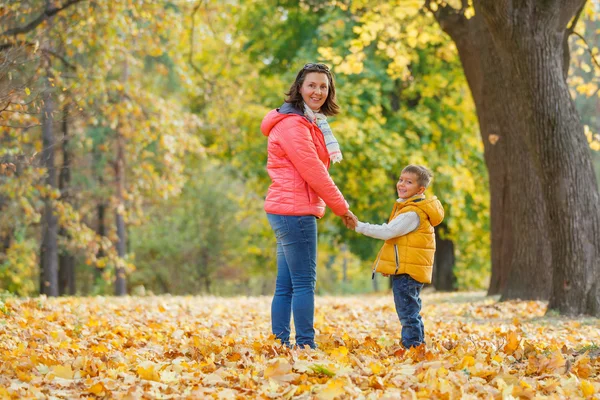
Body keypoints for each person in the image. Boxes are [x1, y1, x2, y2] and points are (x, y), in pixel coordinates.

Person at [261, 62, 357, 349]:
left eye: (323, 87)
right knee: (303, 283)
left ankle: (280, 343)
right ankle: (305, 345)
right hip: (295, 211)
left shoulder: (308, 121)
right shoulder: (294, 125)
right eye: (312, 85)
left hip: (287, 209)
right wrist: (342, 208)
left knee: (287, 285)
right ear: (299, 87)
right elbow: (314, 170)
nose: (317, 91)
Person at [354, 165, 444, 349]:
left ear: (420, 190)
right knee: (411, 309)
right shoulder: (410, 208)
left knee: (407, 312)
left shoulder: (412, 213)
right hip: (408, 270)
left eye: (408, 182)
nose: (401, 184)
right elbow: (399, 243)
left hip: (408, 272)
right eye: (401, 179)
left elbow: (389, 232)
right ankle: (417, 345)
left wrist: (359, 226)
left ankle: (413, 346)